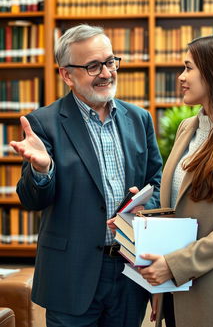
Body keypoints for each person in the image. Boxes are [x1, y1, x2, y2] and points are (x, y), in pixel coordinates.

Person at [10, 24, 162, 327]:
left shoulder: (139, 118)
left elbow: (156, 178)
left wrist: (147, 204)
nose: (106, 73)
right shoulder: (44, 123)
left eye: (110, 61)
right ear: (67, 74)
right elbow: (32, 199)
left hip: (129, 270)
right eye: (93, 66)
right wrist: (42, 169)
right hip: (71, 274)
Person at [139, 34, 213, 327]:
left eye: (189, 68)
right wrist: (138, 214)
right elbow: (180, 206)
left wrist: (175, 266)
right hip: (176, 288)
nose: (181, 77)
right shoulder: (187, 127)